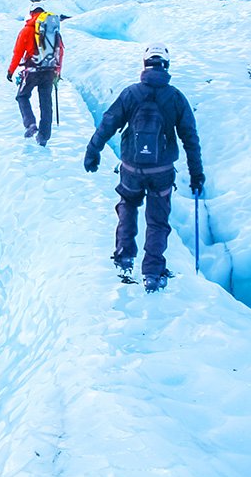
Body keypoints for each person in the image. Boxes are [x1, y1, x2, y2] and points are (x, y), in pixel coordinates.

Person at [83, 44, 204, 292]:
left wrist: (92, 151)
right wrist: (196, 173)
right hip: (161, 171)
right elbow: (189, 138)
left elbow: (108, 123)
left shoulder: (131, 94)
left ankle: (124, 257)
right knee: (158, 222)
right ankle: (152, 272)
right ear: (166, 66)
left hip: (131, 167)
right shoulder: (176, 97)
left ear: (145, 65)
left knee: (127, 205)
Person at [7, 6, 63, 147]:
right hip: (49, 71)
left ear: (31, 14)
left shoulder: (27, 30)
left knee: (22, 96)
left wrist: (11, 71)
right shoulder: (54, 31)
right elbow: (60, 51)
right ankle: (44, 136)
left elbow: (18, 52)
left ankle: (30, 124)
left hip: (32, 70)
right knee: (46, 103)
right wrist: (57, 71)